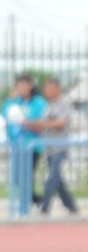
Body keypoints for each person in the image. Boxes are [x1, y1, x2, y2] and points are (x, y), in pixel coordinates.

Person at [35, 77, 79, 215]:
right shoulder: (49, 105)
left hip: (60, 147)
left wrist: (46, 123)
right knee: (58, 180)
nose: (46, 91)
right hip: (49, 147)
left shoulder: (64, 103)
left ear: (56, 88)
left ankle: (45, 206)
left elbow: (61, 122)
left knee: (52, 177)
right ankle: (71, 205)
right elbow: (44, 122)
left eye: (48, 88)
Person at [3, 72, 46, 209]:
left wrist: (26, 121)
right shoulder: (15, 101)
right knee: (16, 178)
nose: (21, 88)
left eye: (24, 85)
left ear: (31, 86)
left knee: (27, 176)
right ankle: (37, 200)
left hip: (32, 145)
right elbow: (5, 113)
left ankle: (25, 206)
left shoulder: (38, 101)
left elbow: (37, 119)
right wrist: (11, 99)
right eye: (19, 85)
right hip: (17, 144)